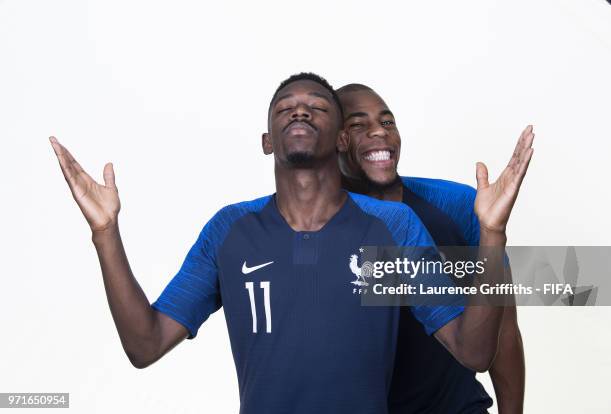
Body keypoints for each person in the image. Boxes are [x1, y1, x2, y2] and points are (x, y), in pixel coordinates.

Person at [49, 72, 531, 414]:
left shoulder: (395, 226)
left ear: (336, 136)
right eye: (285, 107)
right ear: (267, 139)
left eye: (317, 106)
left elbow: (473, 351)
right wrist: (105, 234)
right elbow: (145, 344)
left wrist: (491, 233)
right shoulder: (229, 230)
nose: (300, 108)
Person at [336, 83, 528, 414]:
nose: (379, 133)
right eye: (357, 125)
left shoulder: (457, 206)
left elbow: (505, 330)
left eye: (387, 122)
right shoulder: (319, 225)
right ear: (335, 141)